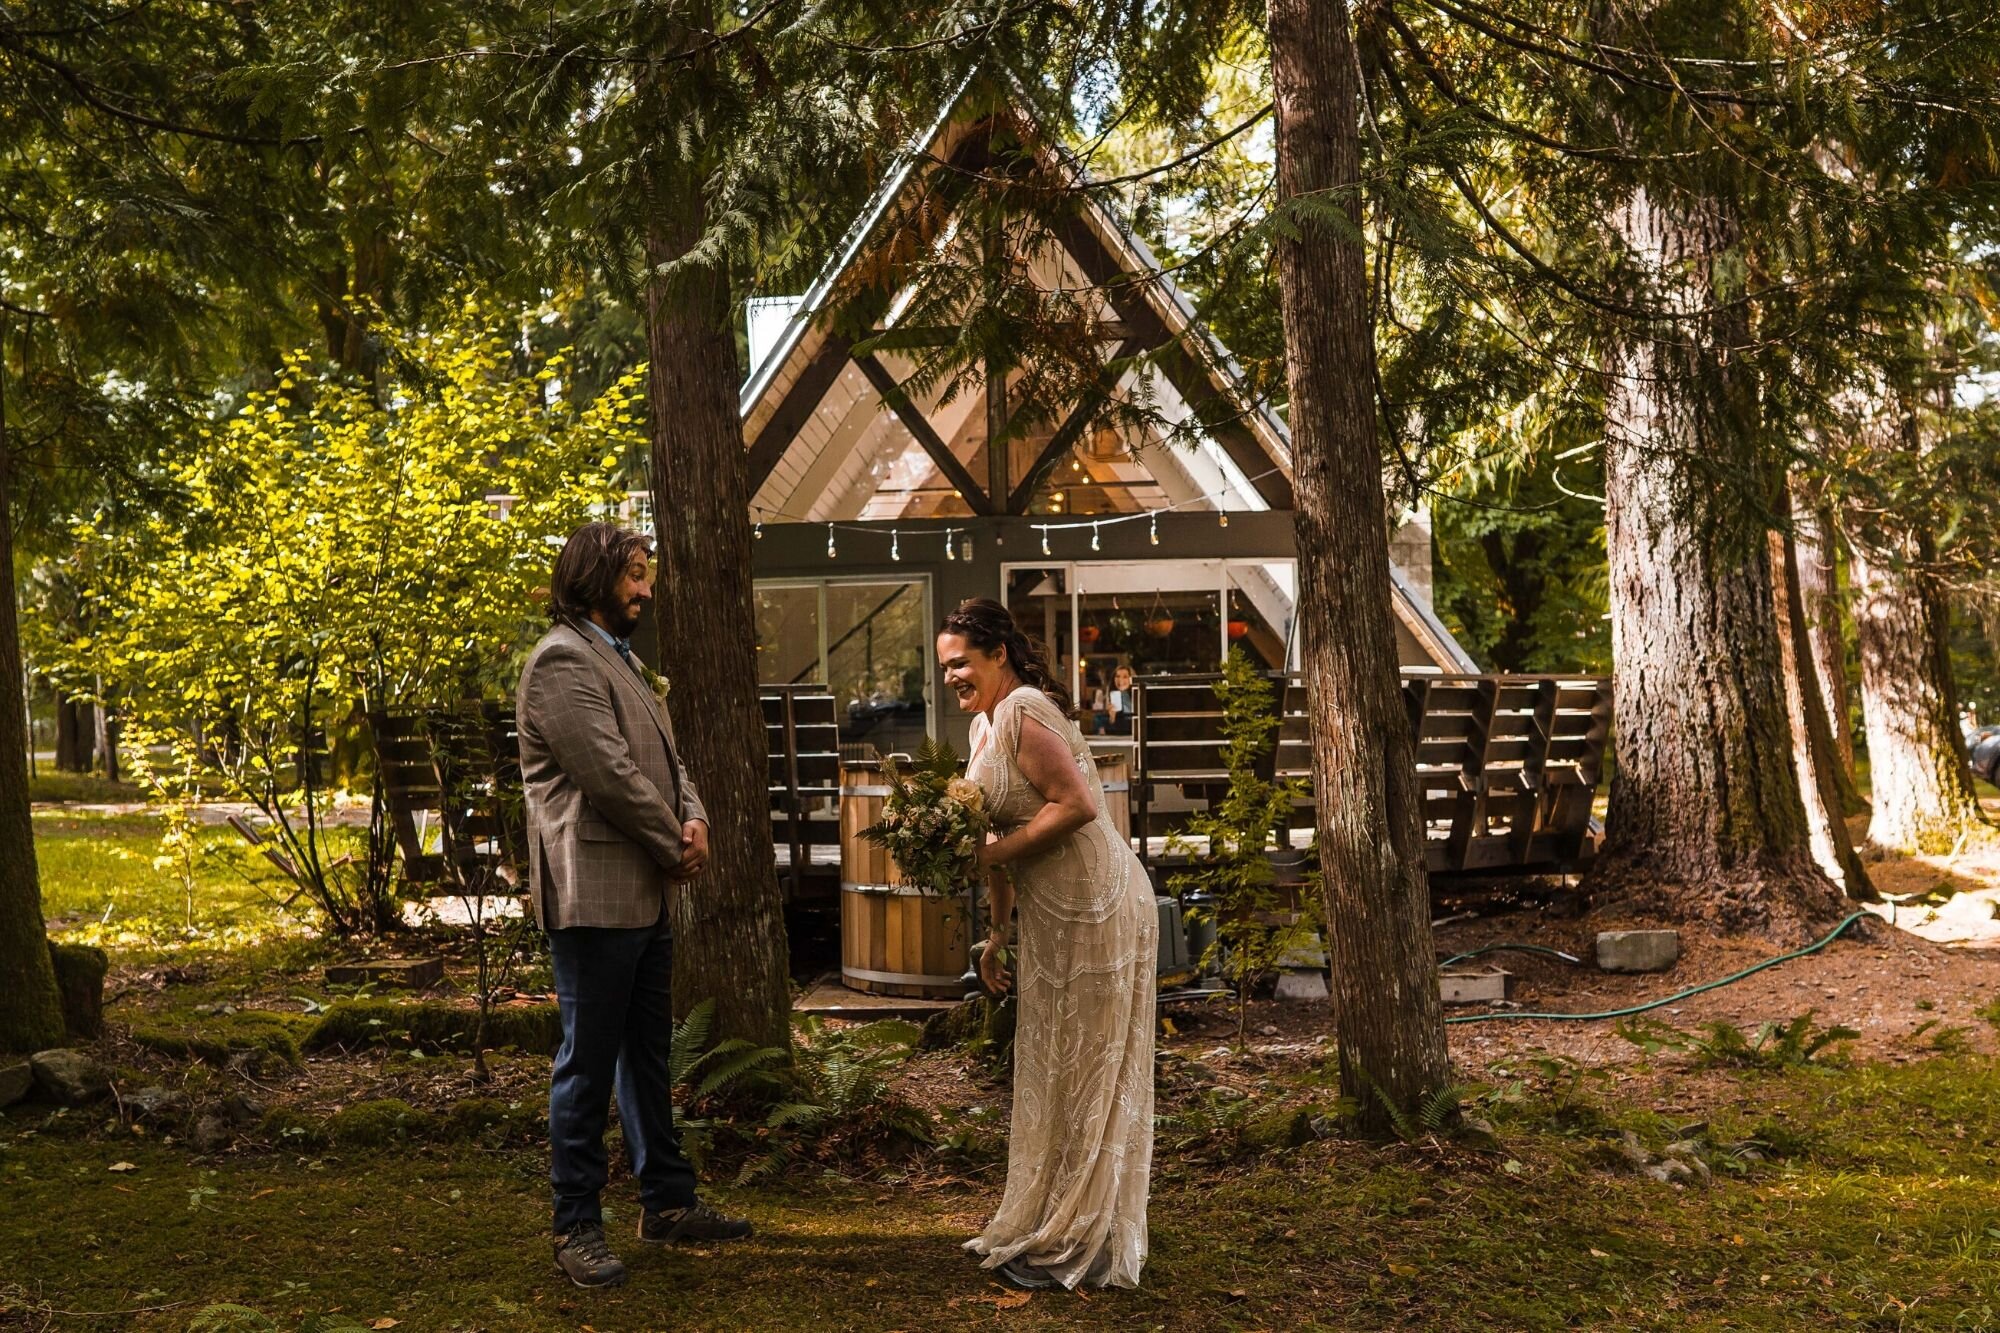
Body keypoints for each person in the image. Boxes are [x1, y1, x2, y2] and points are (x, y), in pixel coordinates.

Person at [517, 522, 752, 1290]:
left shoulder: (620, 658)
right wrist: (672, 845)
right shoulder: (560, 660)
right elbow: (609, 774)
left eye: (647, 574)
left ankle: (666, 1202)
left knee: (648, 1054)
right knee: (586, 1063)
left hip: (642, 888)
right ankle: (576, 1224)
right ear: (593, 577)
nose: (646, 589)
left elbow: (670, 759)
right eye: (635, 575)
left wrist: (699, 819)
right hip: (594, 892)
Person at [937, 598, 1156, 1291]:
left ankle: (1083, 1240)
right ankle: (1049, 1218)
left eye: (961, 662)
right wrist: (996, 934)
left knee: (1090, 1069)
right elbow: (990, 841)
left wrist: (998, 850)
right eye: (944, 667)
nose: (951, 676)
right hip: (1055, 916)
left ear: (998, 652)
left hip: (1101, 904)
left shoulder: (1024, 709)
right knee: (1056, 1070)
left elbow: (1076, 805)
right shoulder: (983, 726)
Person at [1105, 663, 1135, 736]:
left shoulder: (1137, 697)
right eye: (1117, 676)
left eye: (1125, 677)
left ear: (1131, 679)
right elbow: (1109, 731)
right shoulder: (1111, 697)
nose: (1120, 680)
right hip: (1120, 739)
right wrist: (1112, 717)